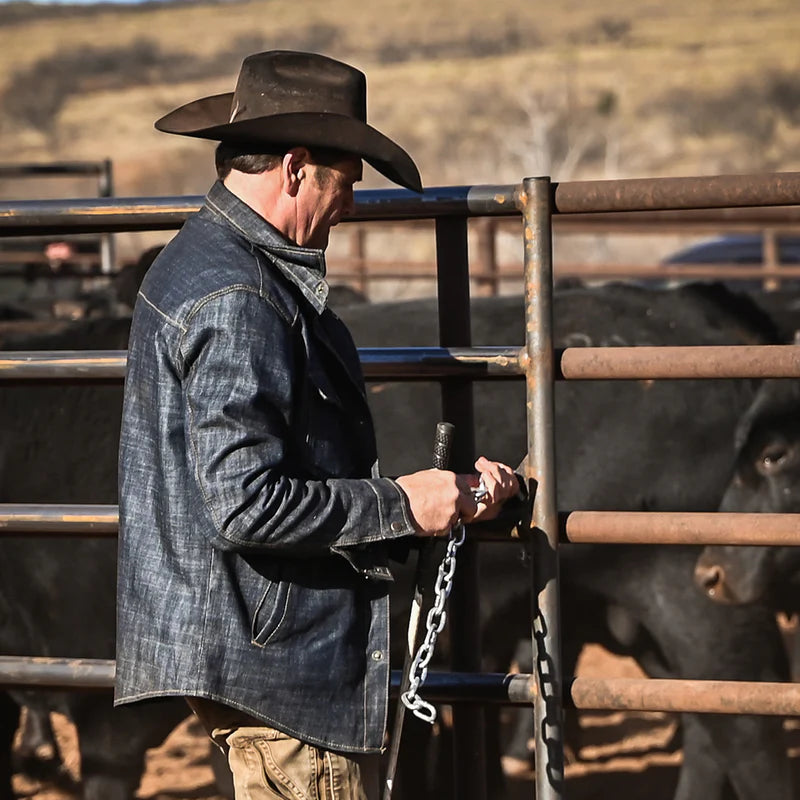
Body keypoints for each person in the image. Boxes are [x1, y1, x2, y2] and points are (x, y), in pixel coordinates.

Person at [114, 50, 519, 800]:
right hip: (286, 666)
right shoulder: (241, 296)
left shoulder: (201, 262)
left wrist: (436, 501)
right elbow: (245, 502)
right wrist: (402, 504)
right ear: (296, 169)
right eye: (346, 183)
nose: (352, 206)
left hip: (254, 645)